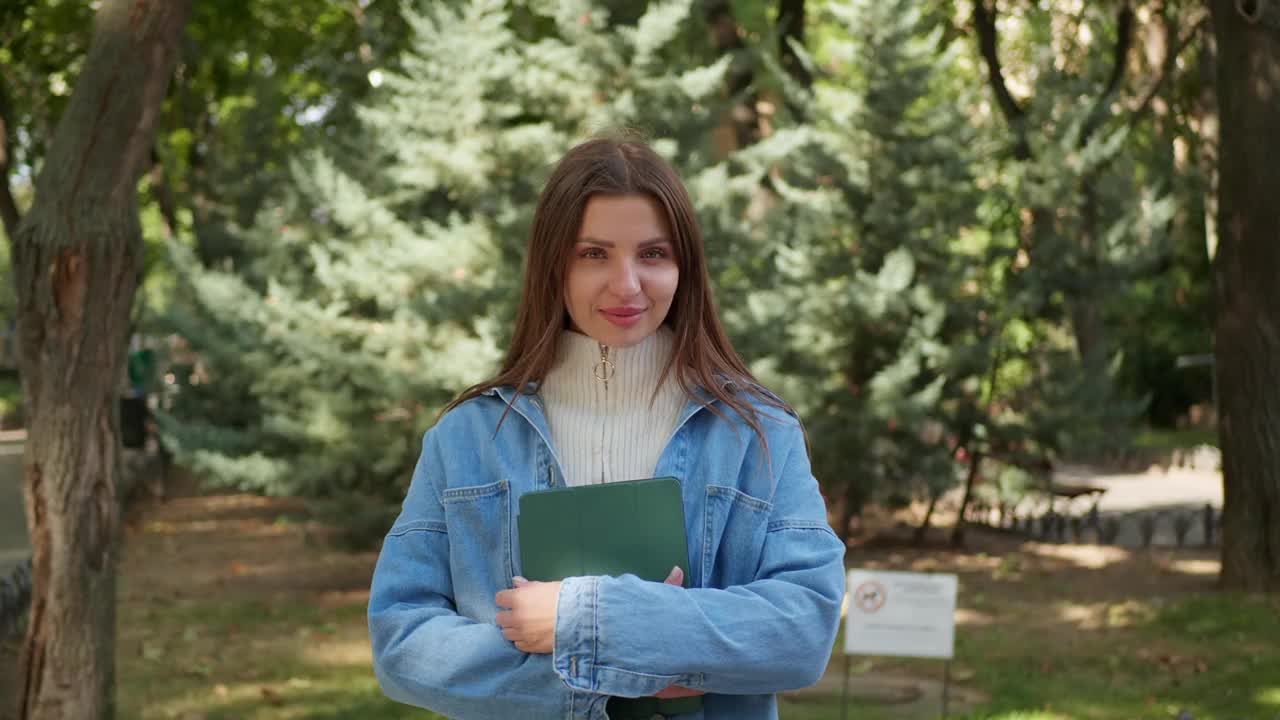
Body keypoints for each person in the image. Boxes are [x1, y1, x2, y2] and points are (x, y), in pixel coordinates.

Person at [368, 135, 846, 720]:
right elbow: (401, 642)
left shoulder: (759, 433)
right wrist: (614, 671)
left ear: (683, 265)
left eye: (653, 254)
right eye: (593, 253)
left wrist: (586, 619)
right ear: (553, 263)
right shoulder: (464, 439)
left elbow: (804, 629)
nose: (626, 285)